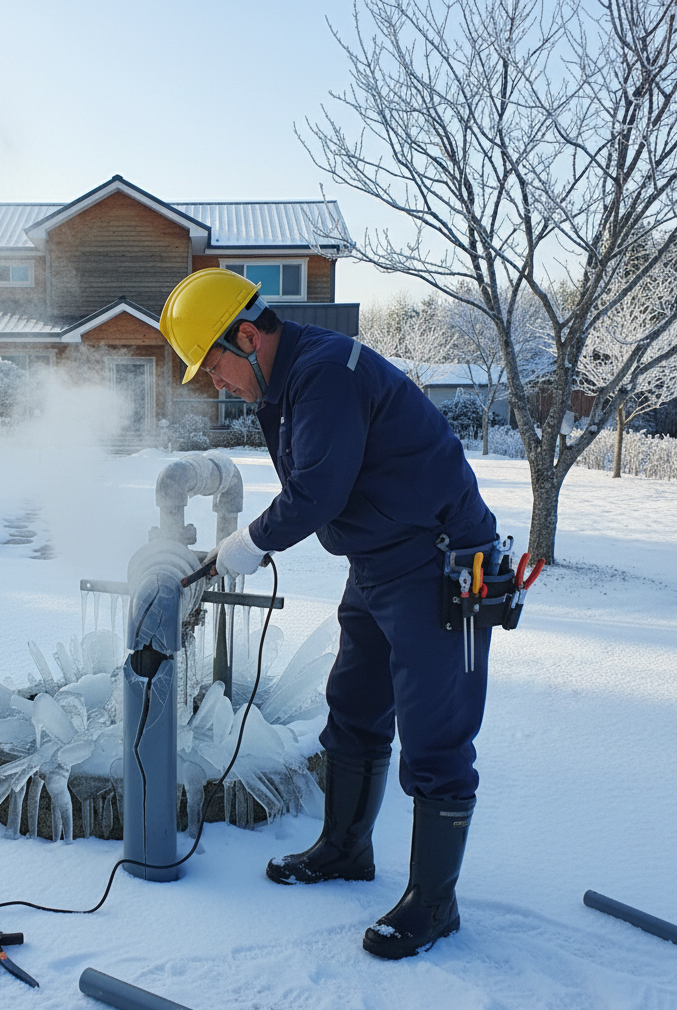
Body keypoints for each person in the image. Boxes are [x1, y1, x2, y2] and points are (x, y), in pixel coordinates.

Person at [159, 268, 499, 960]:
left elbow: (317, 490)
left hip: (439, 560)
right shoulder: (286, 384)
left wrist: (249, 542)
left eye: (214, 366)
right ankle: (345, 849)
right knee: (355, 703)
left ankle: (434, 904)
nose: (216, 383)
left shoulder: (323, 375)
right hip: (377, 560)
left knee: (435, 734)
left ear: (247, 336)